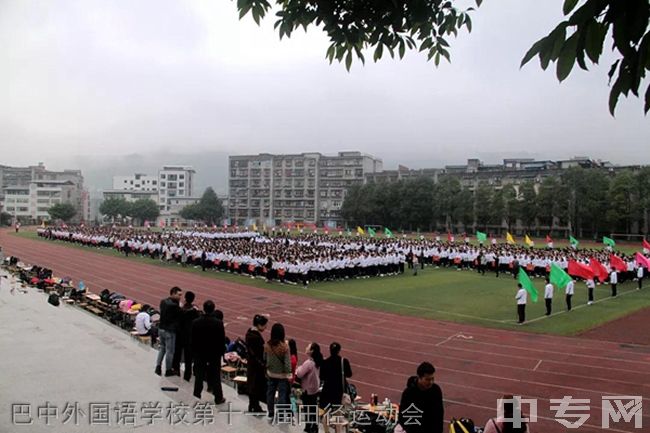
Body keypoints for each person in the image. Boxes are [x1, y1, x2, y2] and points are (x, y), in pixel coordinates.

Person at [190, 300, 226, 404]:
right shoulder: (218, 323)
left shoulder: (196, 322)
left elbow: (193, 338)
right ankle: (218, 397)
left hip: (200, 353)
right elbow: (221, 339)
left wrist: (194, 352)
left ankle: (196, 395)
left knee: (199, 376)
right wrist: (221, 352)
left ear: (204, 309)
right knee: (215, 376)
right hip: (214, 353)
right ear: (213, 309)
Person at [397, 362, 444, 433]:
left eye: (432, 379)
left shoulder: (436, 390)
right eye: (427, 379)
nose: (431, 382)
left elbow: (439, 414)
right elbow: (403, 415)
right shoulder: (409, 393)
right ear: (419, 377)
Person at [264, 323, 291, 420]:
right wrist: (289, 374)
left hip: (271, 373)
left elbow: (265, 358)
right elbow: (288, 364)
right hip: (282, 376)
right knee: (282, 395)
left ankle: (270, 412)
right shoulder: (285, 347)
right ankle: (281, 414)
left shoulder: (267, 345)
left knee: (270, 393)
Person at [296, 342, 324, 433]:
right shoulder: (318, 361)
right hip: (315, 388)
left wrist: (298, 368)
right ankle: (315, 426)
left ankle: (308, 426)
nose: (306, 347)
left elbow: (300, 374)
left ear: (311, 351)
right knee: (313, 407)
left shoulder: (308, 363)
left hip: (307, 389)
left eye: (308, 347)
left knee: (307, 408)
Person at [172, 291, 201, 380]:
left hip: (180, 335)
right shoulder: (195, 312)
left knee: (177, 354)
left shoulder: (181, 310)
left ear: (185, 298)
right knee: (188, 357)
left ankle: (176, 370)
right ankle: (187, 375)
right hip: (190, 337)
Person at [155, 286, 182, 377]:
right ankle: (168, 370)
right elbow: (180, 314)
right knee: (170, 351)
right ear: (173, 293)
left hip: (161, 328)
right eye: (179, 295)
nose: (180, 297)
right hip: (169, 331)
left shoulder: (163, 302)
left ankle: (158, 366)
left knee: (162, 348)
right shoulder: (174, 306)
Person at [319, 342, 352, 415]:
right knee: (338, 412)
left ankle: (326, 426)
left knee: (325, 412)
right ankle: (338, 426)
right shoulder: (343, 361)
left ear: (330, 350)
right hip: (339, 390)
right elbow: (349, 374)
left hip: (327, 390)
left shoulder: (325, 362)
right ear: (339, 350)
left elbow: (321, 377)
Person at [245, 314, 268, 414]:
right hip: (256, 365)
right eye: (264, 325)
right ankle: (255, 406)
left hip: (251, 364)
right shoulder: (255, 337)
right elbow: (257, 353)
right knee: (256, 385)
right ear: (259, 325)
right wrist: (262, 363)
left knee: (252, 384)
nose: (266, 327)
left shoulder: (250, 333)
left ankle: (252, 405)